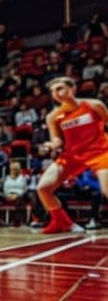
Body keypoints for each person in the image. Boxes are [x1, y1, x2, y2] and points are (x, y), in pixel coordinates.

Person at [36, 77, 108, 234]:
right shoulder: (53, 117)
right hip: (72, 155)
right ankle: (64, 223)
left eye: (60, 88)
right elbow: (57, 140)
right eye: (53, 91)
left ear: (72, 89)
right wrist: (50, 145)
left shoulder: (94, 105)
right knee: (43, 188)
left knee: (106, 189)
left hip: (100, 151)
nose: (57, 93)